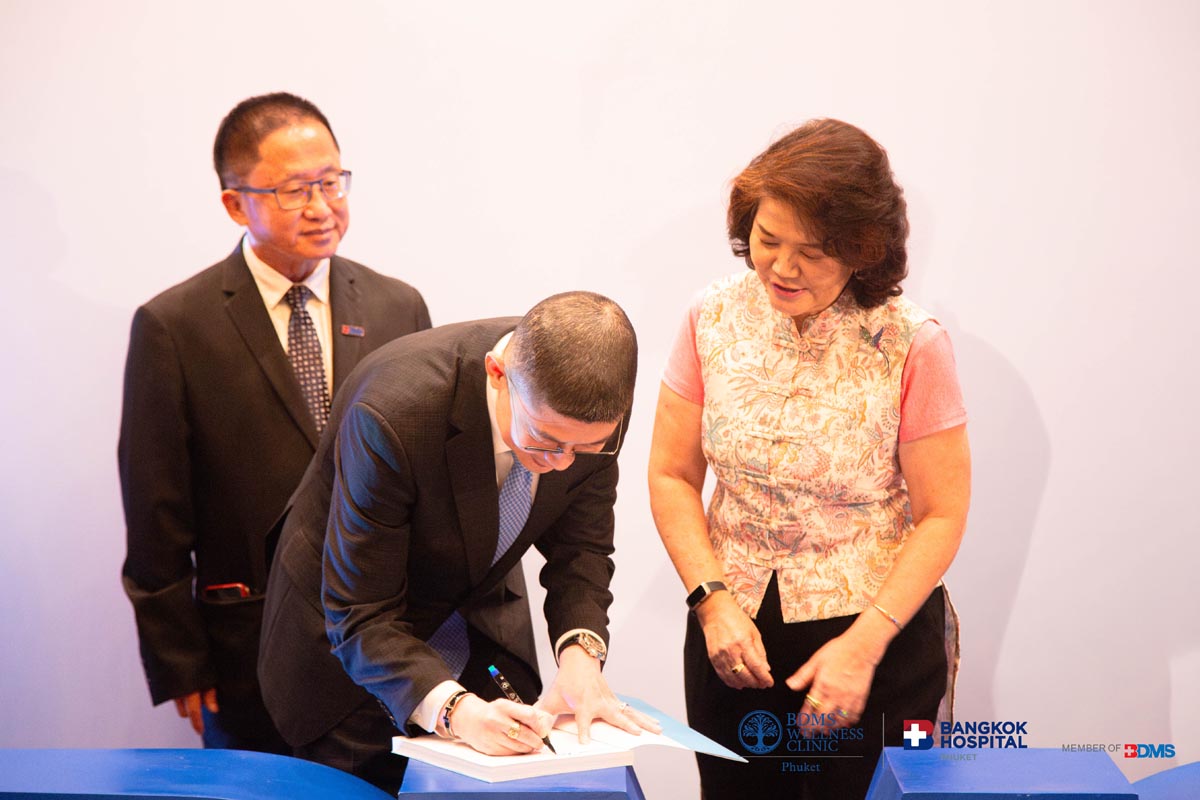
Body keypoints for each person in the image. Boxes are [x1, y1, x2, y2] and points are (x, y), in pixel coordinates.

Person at [648, 119, 971, 799]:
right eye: (768, 240)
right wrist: (710, 602)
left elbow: (942, 514)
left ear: (863, 250)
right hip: (731, 638)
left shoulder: (912, 343)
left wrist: (865, 645)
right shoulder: (711, 316)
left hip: (872, 645)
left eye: (813, 252)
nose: (782, 268)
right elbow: (672, 474)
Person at [119, 92, 431, 753]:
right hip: (247, 651)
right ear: (237, 204)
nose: (322, 206)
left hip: (385, 652)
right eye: (295, 190)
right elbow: (156, 511)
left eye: (332, 181)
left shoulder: (398, 306)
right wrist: (180, 662)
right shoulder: (175, 326)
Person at [258, 291, 660, 791]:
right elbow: (361, 612)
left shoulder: (594, 405)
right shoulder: (394, 411)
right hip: (350, 652)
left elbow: (581, 551)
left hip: (477, 622)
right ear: (497, 373)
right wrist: (455, 711)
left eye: (585, 448)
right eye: (543, 440)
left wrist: (581, 656)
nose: (562, 462)